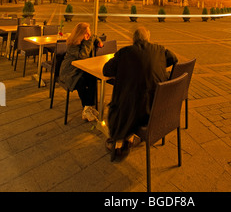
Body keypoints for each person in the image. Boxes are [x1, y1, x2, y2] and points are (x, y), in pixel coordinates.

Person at [102, 26, 178, 160]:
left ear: (133, 40)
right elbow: (174, 59)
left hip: (133, 114)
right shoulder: (159, 50)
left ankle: (121, 139)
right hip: (157, 110)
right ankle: (130, 137)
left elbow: (106, 70)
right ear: (148, 39)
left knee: (124, 100)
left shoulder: (125, 52)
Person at [59, 22, 103, 122]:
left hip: (80, 70)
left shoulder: (85, 39)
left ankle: (87, 108)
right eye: (87, 32)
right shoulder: (73, 43)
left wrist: (98, 41)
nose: (89, 34)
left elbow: (95, 36)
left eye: (89, 31)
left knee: (92, 77)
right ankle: (87, 108)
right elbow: (82, 56)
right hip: (70, 72)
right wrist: (89, 41)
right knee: (81, 82)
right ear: (81, 34)